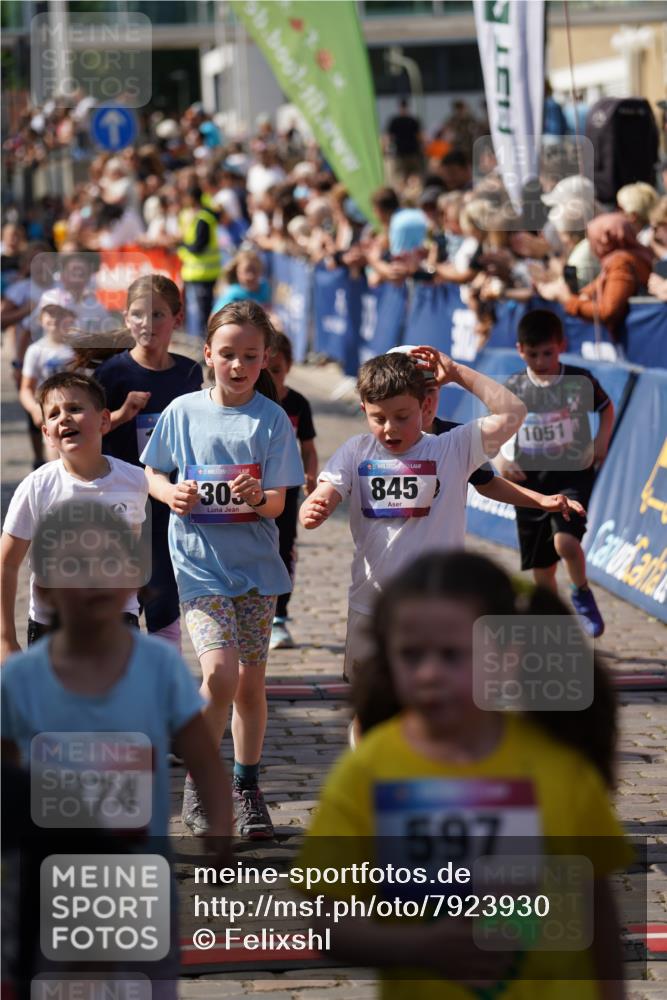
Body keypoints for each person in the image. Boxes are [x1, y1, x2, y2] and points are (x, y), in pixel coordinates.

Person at [299, 550, 628, 999]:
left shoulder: (560, 768)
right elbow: (326, 921)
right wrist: (417, 947)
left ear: (507, 656)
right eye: (411, 655)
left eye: (453, 655)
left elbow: (598, 909)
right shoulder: (367, 772)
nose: (430, 673)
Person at [1, 501, 232, 998]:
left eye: (109, 563)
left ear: (133, 578)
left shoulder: (159, 668)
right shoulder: (18, 681)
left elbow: (202, 754)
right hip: (49, 885)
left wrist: (220, 824)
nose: (94, 579)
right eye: (75, 566)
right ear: (45, 588)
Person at [140, 300, 304, 839]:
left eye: (251, 356)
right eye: (228, 354)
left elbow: (278, 504)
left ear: (266, 359)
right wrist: (171, 493)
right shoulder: (183, 411)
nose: (239, 365)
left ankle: (246, 787)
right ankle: (202, 779)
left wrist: (257, 497)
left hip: (255, 569)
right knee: (219, 675)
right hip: (199, 565)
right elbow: (153, 473)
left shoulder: (271, 418)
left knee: (251, 688)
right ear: (208, 353)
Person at [299, 350, 527, 684]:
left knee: (432, 695)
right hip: (371, 603)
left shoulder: (453, 448)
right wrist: (315, 505)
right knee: (369, 700)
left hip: (438, 605)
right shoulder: (356, 450)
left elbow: (514, 412)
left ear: (425, 406)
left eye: (402, 416)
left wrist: (457, 372)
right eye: (379, 418)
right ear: (363, 410)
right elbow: (327, 489)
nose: (390, 428)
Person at [0, 372, 149, 661]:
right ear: (47, 433)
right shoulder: (37, 486)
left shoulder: (135, 480)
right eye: (54, 414)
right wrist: (5, 637)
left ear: (104, 420)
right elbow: (6, 562)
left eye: (75, 408)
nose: (64, 418)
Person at [95, 275, 203, 648]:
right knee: (122, 598)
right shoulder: (113, 373)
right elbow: (86, 434)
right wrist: (121, 415)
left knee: (164, 596)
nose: (147, 323)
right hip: (119, 501)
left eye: (158, 315)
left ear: (177, 318)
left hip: (169, 502)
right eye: (139, 314)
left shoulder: (189, 373)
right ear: (126, 318)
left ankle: (163, 670)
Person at [494, 310, 614, 637]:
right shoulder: (514, 387)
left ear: (561, 345)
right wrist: (502, 460)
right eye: (533, 354)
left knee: (566, 543)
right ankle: (553, 624)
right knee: (543, 567)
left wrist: (601, 440)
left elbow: (606, 409)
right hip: (529, 483)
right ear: (520, 350)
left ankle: (581, 592)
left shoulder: (580, 380)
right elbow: (495, 428)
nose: (541, 361)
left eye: (548, 353)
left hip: (573, 475)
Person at [267, 331, 318, 650]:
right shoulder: (251, 402)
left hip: (287, 490)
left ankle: (279, 618)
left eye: (277, 370)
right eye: (265, 370)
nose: (271, 377)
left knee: (284, 549)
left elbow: (308, 448)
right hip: (254, 490)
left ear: (288, 367)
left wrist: (311, 475)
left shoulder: (298, 404)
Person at [537, 212, 654, 341]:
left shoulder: (621, 262)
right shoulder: (632, 255)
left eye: (592, 239)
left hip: (636, 339)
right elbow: (598, 286)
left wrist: (568, 300)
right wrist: (576, 294)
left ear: (604, 241)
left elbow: (608, 311)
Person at [18, 302, 76, 465]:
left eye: (58, 317)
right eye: (49, 319)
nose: (54, 323)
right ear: (41, 321)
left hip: (76, 407)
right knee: (55, 458)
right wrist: (34, 408)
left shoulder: (77, 347)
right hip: (51, 410)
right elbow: (25, 389)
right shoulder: (35, 350)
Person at [177, 183, 221, 337]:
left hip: (203, 273)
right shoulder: (193, 216)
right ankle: (197, 340)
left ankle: (203, 341)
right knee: (194, 312)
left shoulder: (203, 219)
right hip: (193, 272)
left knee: (202, 313)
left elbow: (198, 246)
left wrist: (181, 245)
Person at [212, 249, 271, 313]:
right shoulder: (233, 294)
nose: (251, 276)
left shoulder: (264, 288)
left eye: (255, 270)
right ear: (237, 272)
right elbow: (215, 316)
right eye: (247, 270)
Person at [384, 99, 423, 185]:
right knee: (413, 175)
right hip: (411, 152)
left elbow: (389, 137)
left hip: (401, 152)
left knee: (401, 176)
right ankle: (413, 189)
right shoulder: (413, 120)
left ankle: (404, 190)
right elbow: (419, 137)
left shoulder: (395, 121)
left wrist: (386, 149)